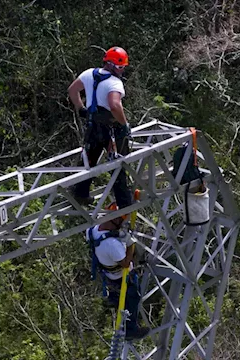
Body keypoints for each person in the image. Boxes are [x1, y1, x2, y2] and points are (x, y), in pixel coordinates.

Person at [68, 46, 133, 208]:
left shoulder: (89, 73)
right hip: (110, 129)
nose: (121, 71)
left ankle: (80, 195)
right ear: (111, 65)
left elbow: (72, 90)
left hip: (92, 125)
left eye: (123, 67)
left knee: (89, 160)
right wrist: (124, 124)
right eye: (120, 67)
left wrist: (81, 109)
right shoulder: (114, 83)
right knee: (117, 163)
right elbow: (115, 105)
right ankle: (124, 202)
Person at [86, 203, 150, 340]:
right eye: (121, 221)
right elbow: (126, 263)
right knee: (132, 299)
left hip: (107, 272)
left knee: (119, 294)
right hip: (120, 275)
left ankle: (114, 298)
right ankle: (131, 330)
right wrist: (130, 244)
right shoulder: (112, 245)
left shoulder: (93, 230)